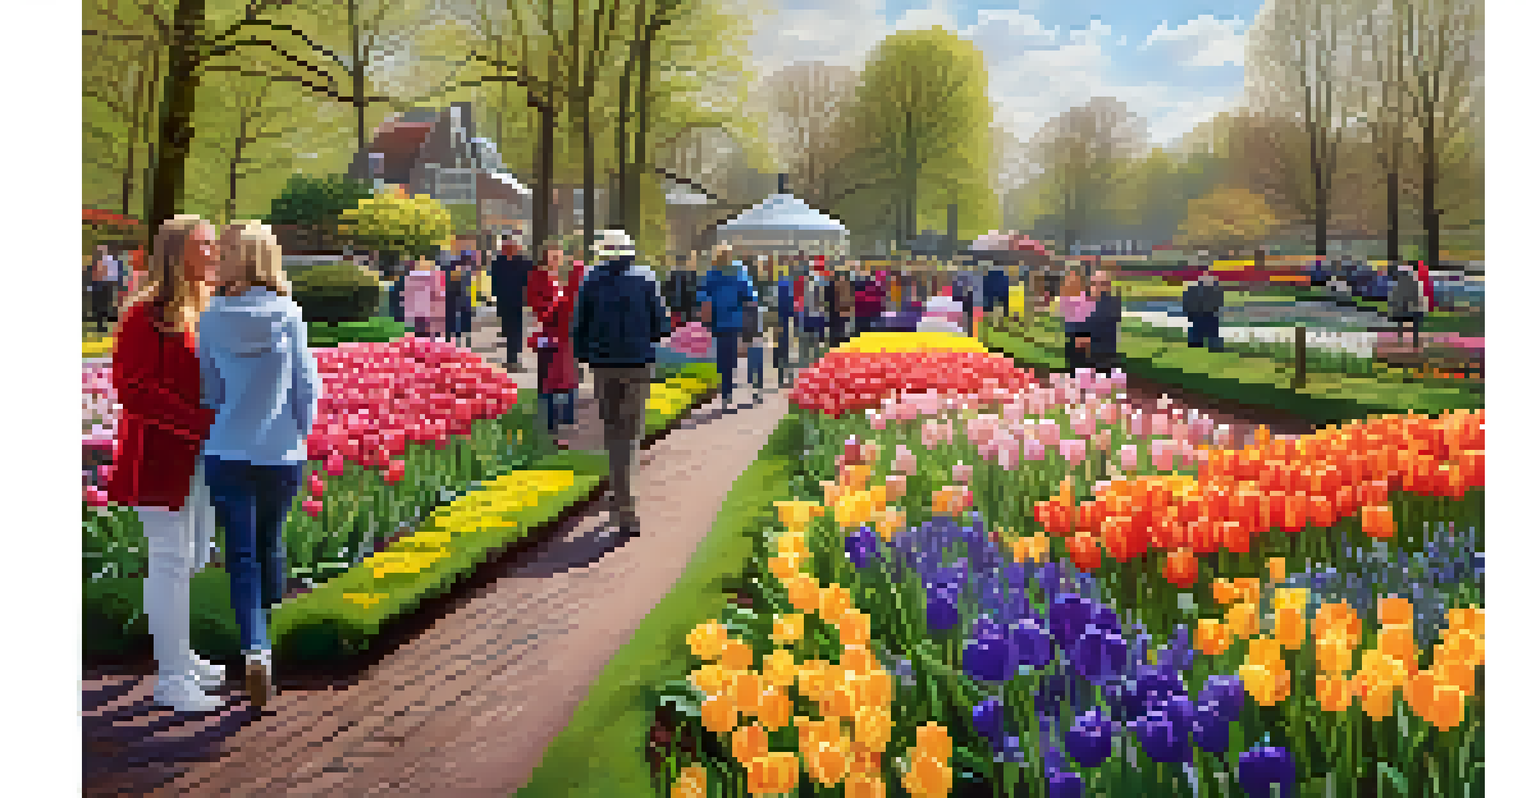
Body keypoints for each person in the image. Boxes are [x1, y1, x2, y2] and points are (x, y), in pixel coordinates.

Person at [198, 220, 322, 710]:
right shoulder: (288, 314)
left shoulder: (212, 316)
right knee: (270, 546)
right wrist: (299, 433)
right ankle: (266, 636)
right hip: (279, 454)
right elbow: (305, 388)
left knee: (241, 558)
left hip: (227, 450)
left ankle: (256, 648)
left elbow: (211, 389)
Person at [106, 215, 224, 713]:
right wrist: (198, 421)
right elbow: (133, 389)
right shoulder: (145, 314)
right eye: (204, 245)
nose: (214, 252)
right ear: (178, 253)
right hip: (158, 455)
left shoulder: (204, 309)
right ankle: (171, 677)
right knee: (171, 560)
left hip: (193, 455)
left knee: (193, 556)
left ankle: (182, 656)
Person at [571, 229, 669, 540]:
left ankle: (620, 496)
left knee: (613, 431)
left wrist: (588, 356)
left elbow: (579, 327)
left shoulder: (590, 279)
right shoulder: (645, 278)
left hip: (604, 365)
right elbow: (661, 324)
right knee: (630, 433)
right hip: (637, 362)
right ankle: (626, 508)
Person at [526, 242, 585, 443]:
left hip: (566, 336)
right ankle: (549, 424)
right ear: (544, 257)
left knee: (567, 377)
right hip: (549, 336)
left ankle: (566, 421)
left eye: (558, 256)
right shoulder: (538, 278)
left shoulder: (559, 278)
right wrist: (561, 304)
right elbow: (542, 310)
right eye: (552, 256)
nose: (556, 260)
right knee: (549, 378)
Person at [697, 246, 757, 410]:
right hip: (733, 319)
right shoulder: (739, 272)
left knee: (721, 354)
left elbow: (702, 294)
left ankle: (725, 387)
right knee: (730, 355)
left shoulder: (712, 273)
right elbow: (750, 295)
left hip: (717, 319)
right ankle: (727, 390)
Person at [490, 238, 534, 370]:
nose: (507, 249)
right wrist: (495, 295)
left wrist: (528, 298)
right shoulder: (498, 262)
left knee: (515, 329)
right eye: (505, 247)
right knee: (508, 328)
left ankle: (513, 357)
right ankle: (512, 355)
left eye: (511, 246)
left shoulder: (525, 263)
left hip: (517, 301)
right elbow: (494, 280)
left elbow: (529, 281)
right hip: (503, 300)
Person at [1083, 270, 1122, 373]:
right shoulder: (1096, 302)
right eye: (1093, 283)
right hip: (1097, 354)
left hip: (1101, 355)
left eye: (1097, 284)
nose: (1093, 287)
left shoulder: (1110, 304)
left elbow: (1094, 325)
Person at [404, 251, 447, 339]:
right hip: (425, 314)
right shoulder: (433, 277)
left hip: (425, 314)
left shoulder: (434, 276)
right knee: (428, 338)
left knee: (424, 338)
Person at [1058, 270, 1094, 372]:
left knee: (1082, 363)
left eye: (1074, 279)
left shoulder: (1084, 297)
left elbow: (1089, 315)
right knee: (1073, 363)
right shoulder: (1066, 297)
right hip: (1072, 333)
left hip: (1082, 333)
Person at [1182, 271, 1225, 351]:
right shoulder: (1213, 289)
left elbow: (1187, 302)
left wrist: (1188, 313)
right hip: (1205, 314)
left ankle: (1201, 344)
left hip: (1202, 314)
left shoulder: (1194, 289)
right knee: (1207, 334)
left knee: (1199, 333)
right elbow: (1219, 303)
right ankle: (1211, 346)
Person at [1388, 262, 1427, 349]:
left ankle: (1400, 338)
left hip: (1400, 313)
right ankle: (1415, 341)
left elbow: (1393, 300)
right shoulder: (1414, 284)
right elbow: (1417, 299)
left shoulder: (1397, 286)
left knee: (1401, 317)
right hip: (1411, 313)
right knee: (1416, 316)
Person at [775, 267, 796, 388]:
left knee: (782, 351)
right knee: (788, 351)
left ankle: (782, 378)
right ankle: (788, 378)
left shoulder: (779, 285)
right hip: (788, 320)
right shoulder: (789, 284)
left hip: (781, 320)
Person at [664, 255, 698, 327]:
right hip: (689, 310)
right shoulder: (691, 275)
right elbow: (694, 293)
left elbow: (666, 293)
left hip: (674, 309)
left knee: (675, 330)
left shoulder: (670, 276)